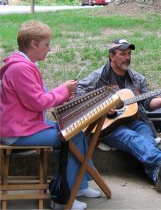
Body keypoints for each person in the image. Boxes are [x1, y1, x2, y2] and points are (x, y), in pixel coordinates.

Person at [0, 21, 101, 210]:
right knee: (72, 136)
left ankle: (79, 186)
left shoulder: (23, 65)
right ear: (33, 44)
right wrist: (63, 90)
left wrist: (62, 92)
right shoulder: (20, 68)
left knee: (76, 131)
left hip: (24, 126)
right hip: (18, 131)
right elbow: (38, 102)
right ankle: (62, 198)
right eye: (46, 44)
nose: (50, 49)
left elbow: (40, 96)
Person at [76, 38, 161, 192]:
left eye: (129, 53)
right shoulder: (98, 76)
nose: (127, 57)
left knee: (147, 139)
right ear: (112, 56)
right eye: (122, 53)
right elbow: (78, 92)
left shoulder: (137, 79)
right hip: (107, 125)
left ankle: (157, 176)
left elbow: (148, 104)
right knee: (132, 138)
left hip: (135, 121)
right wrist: (102, 106)